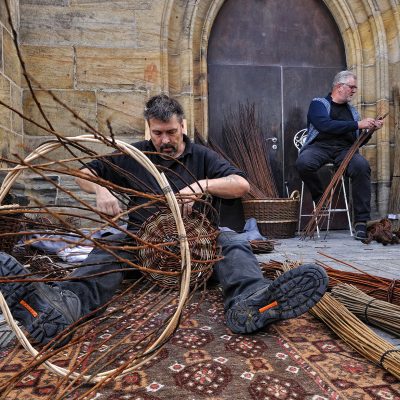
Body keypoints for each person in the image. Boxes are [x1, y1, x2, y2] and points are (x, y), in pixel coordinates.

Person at [0, 95, 328, 347]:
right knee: (109, 247)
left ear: (182, 126)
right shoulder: (133, 156)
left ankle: (250, 302)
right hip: (141, 244)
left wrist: (202, 185)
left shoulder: (201, 156)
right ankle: (65, 306)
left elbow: (240, 185)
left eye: (171, 131)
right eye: (158, 133)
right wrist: (100, 188)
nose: (165, 140)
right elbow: (83, 174)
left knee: (233, 242)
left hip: (197, 247)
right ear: (149, 130)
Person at [296, 70, 384, 240]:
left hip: (344, 150)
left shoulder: (352, 112)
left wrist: (370, 131)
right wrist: (358, 124)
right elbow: (325, 125)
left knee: (361, 166)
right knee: (304, 162)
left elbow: (359, 141)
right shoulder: (319, 104)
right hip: (319, 147)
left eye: (354, 88)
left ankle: (360, 222)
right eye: (351, 87)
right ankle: (320, 197)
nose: (353, 91)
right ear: (339, 86)